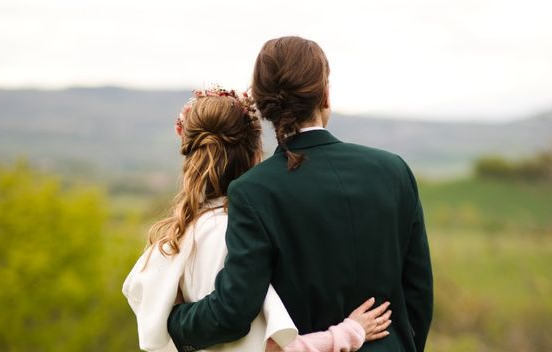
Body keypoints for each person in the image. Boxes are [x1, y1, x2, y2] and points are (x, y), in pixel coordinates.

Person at [168, 37, 433, 352]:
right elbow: (418, 295)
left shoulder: (253, 192)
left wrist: (174, 321)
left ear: (265, 106)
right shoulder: (394, 172)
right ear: (325, 95)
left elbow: (233, 312)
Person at [122, 87, 392, 352]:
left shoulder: (171, 241)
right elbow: (274, 347)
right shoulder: (246, 231)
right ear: (255, 155)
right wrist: (349, 332)